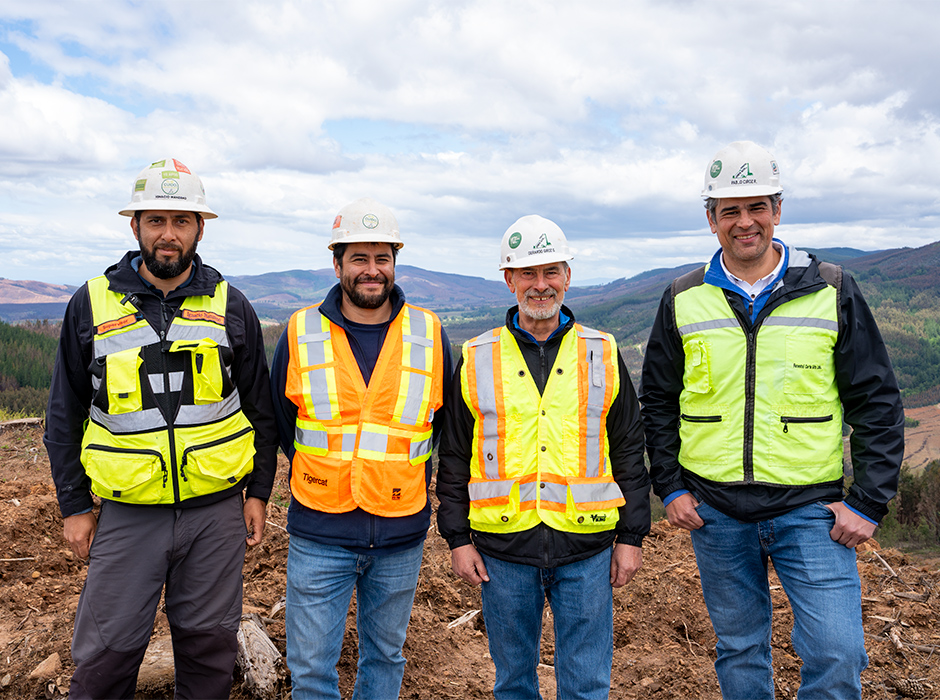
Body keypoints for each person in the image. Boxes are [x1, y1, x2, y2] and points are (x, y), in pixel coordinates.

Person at [640, 141, 905, 700]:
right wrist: (669, 486)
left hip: (811, 510)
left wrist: (869, 501)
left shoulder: (831, 288)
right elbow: (659, 401)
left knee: (836, 652)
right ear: (711, 220)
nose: (745, 222)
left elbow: (876, 400)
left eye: (756, 206)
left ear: (777, 210)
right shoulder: (683, 297)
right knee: (739, 648)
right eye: (729, 211)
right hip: (714, 510)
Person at [44, 158, 279, 699]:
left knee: (207, 654)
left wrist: (259, 492)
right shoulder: (91, 303)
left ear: (200, 228)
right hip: (128, 515)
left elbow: (259, 412)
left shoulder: (231, 305)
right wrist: (74, 505)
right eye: (155, 221)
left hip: (215, 511)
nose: (168, 234)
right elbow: (63, 415)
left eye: (181, 221)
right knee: (106, 656)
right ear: (135, 228)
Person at [436, 215, 651, 700]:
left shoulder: (603, 351)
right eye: (527, 273)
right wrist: (456, 538)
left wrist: (632, 535)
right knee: (513, 683)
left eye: (551, 271)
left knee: (588, 684)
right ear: (508, 279)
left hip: (587, 548)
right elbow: (453, 455)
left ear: (567, 276)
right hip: (502, 551)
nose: (540, 285)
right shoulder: (476, 355)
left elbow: (628, 449)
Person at [271, 197, 453, 700]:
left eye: (382, 259)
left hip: (400, 530)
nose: (372, 271)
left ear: (394, 263)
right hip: (319, 528)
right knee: (310, 670)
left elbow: (443, 427)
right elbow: (284, 423)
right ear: (337, 263)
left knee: (386, 659)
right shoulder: (301, 330)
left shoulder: (429, 332)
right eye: (359, 258)